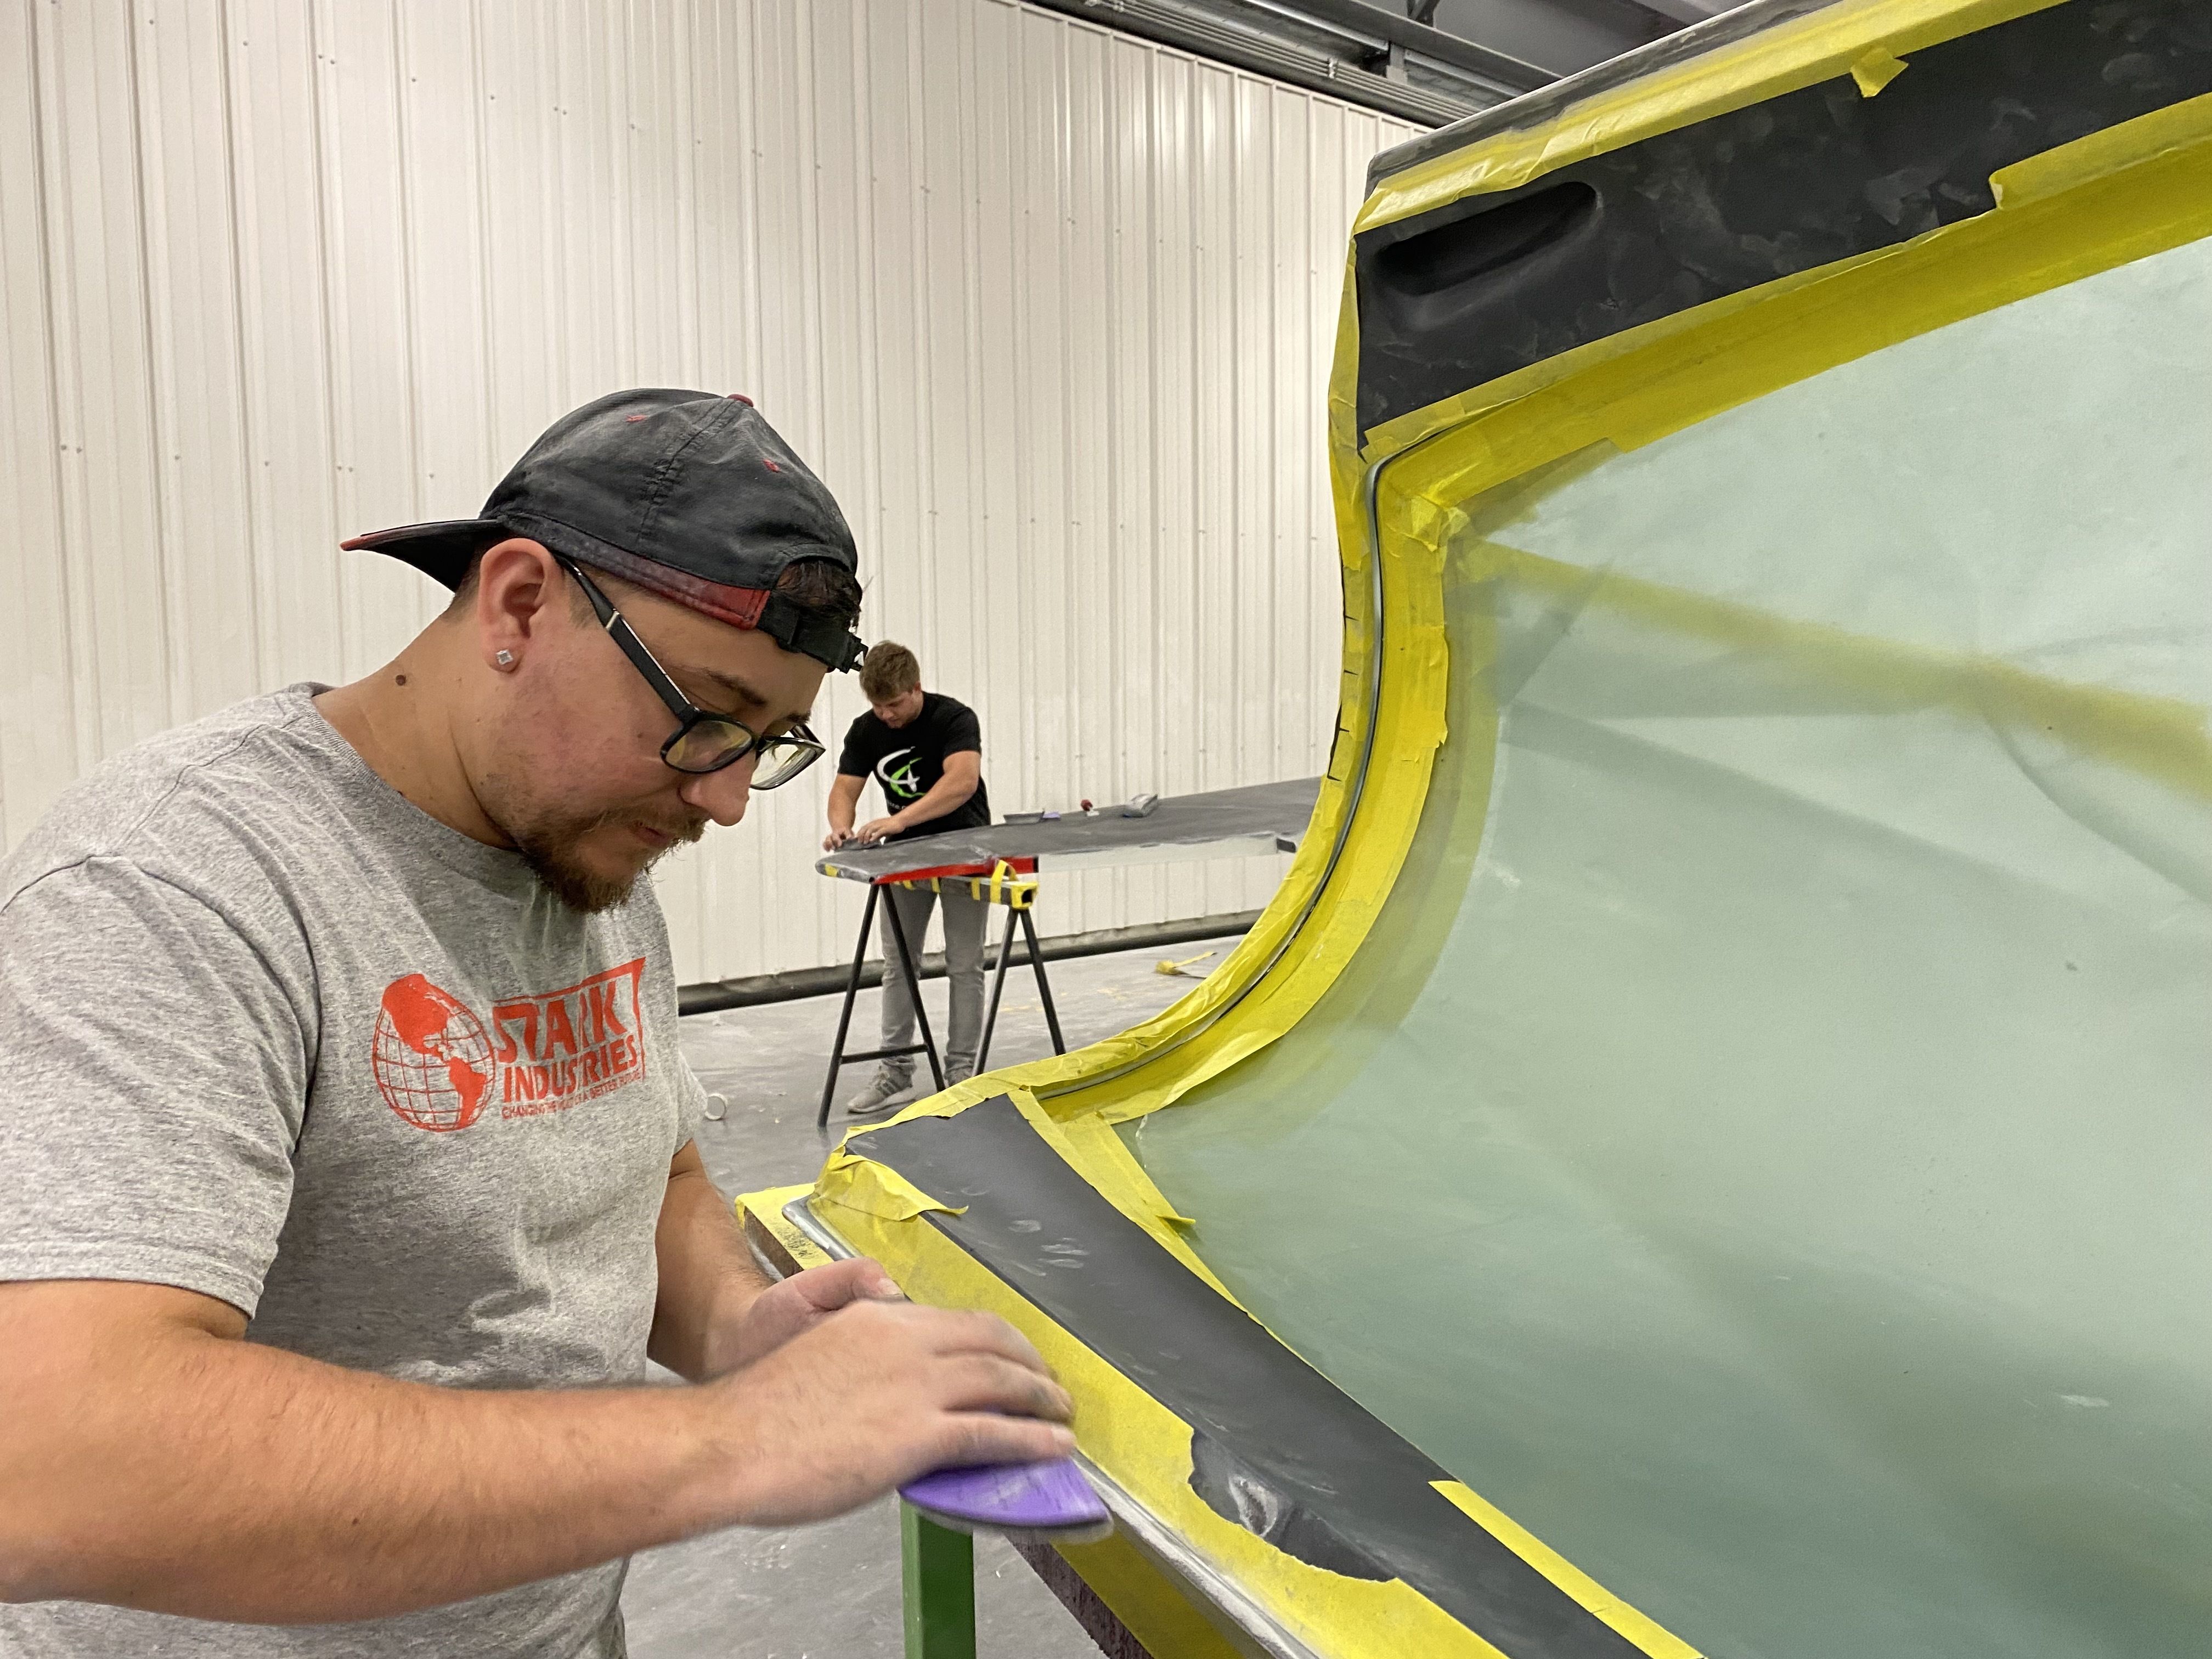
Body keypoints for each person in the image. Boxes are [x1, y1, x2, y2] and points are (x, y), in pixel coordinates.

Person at [0, 390, 1071, 1657]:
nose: (725, 799)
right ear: (516, 604)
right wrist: (734, 1444)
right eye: (709, 714)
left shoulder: (588, 853)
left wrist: (735, 1325)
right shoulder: (177, 881)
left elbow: (650, 1169)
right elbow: (55, 1456)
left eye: (768, 743)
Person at [822, 644, 992, 1115]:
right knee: (899, 964)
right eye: (878, 706)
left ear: (916, 688)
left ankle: (960, 1074)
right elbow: (844, 788)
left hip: (962, 850)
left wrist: (900, 821)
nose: (886, 715)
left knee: (964, 963)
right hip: (903, 860)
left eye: (894, 704)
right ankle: (895, 1069)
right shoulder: (866, 730)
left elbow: (962, 783)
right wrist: (841, 823)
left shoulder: (954, 719)